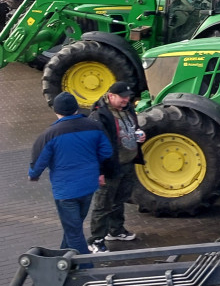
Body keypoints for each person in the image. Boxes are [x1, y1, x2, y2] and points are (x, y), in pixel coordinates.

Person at [28, 93, 114, 255]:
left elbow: (38, 161)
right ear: (76, 108)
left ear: (56, 111)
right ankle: (62, 259)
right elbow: (106, 151)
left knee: (74, 232)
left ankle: (84, 268)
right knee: (73, 226)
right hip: (88, 187)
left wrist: (33, 174)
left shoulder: (50, 134)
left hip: (66, 192)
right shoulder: (94, 126)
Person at [87, 81, 146, 252]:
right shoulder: (99, 116)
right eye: (122, 97)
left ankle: (116, 230)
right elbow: (95, 146)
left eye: (128, 97)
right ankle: (96, 239)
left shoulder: (127, 108)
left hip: (127, 163)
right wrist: (99, 172)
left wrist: (140, 135)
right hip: (110, 167)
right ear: (111, 96)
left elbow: (132, 127)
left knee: (119, 200)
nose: (126, 100)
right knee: (103, 204)